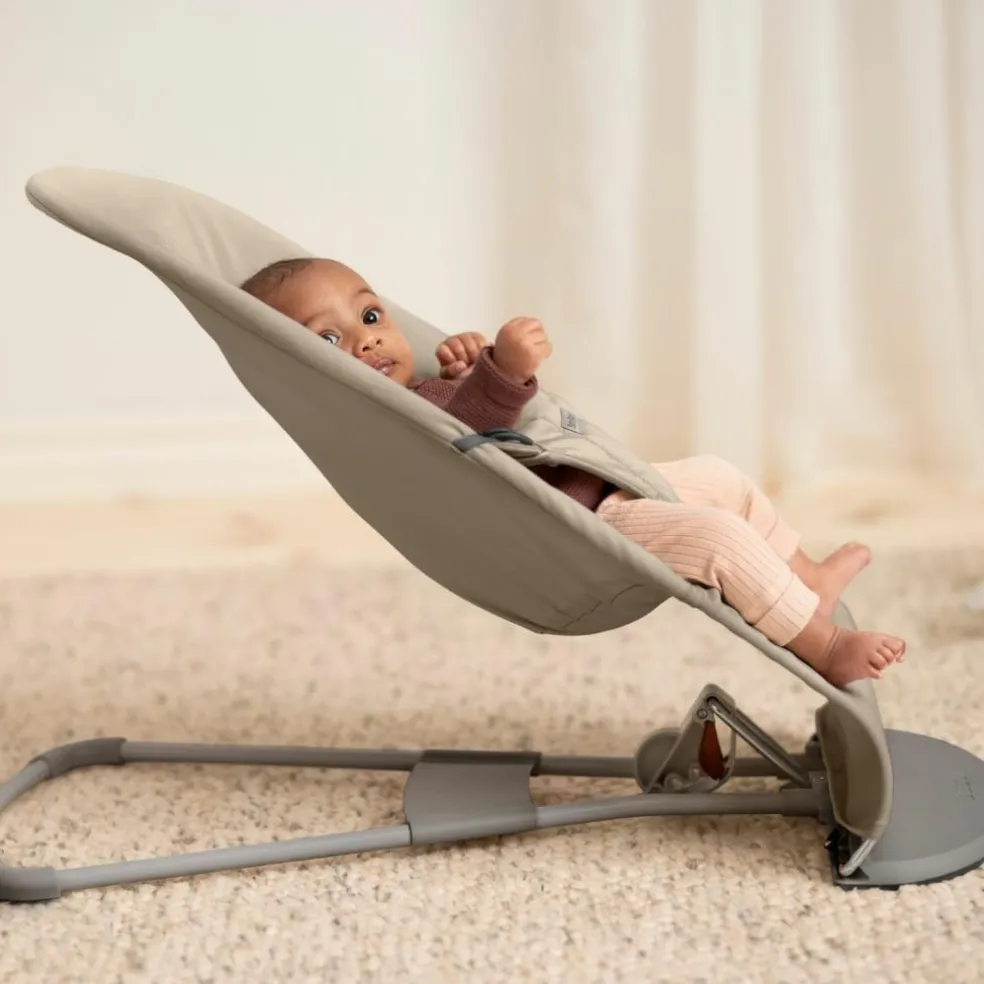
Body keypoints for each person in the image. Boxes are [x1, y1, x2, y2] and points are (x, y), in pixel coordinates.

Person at [239, 257, 906, 687]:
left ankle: (806, 579)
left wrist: (465, 366)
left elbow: (463, 411)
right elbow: (467, 436)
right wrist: (501, 370)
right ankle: (824, 646)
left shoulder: (416, 389)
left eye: (370, 315)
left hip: (607, 489)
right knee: (718, 538)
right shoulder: (389, 422)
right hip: (586, 530)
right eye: (330, 340)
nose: (367, 339)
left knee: (721, 478)